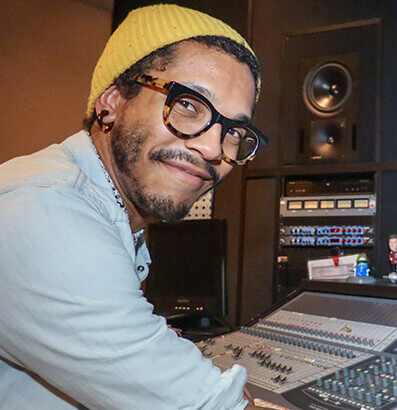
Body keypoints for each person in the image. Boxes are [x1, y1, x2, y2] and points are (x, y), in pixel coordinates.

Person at [0, 5, 267, 409]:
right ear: (111, 102)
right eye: (188, 104)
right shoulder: (46, 211)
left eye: (234, 130)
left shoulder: (104, 208)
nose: (213, 148)